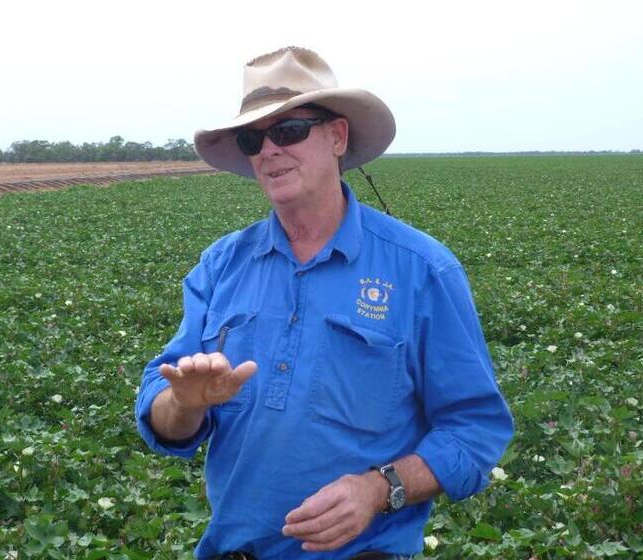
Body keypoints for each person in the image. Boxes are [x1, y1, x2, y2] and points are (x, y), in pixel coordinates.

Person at [135, 46, 513, 559]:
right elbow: (162, 413)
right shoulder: (220, 265)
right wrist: (184, 402)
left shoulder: (422, 270)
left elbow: (475, 430)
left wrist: (380, 488)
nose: (269, 150)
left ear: (337, 136)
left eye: (288, 130)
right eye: (253, 138)